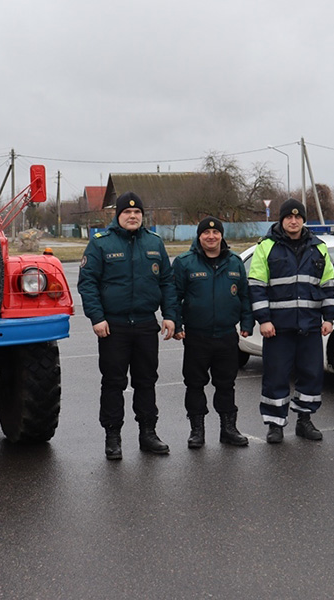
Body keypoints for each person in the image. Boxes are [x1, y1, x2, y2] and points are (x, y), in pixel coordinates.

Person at [77, 192, 178, 460]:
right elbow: (88, 283)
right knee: (113, 382)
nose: (132, 216)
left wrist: (170, 315)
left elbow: (167, 282)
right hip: (114, 326)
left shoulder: (154, 242)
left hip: (146, 324)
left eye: (137, 213)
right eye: (127, 213)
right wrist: (97, 318)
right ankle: (113, 437)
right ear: (118, 215)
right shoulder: (101, 244)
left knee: (146, 381)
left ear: (142, 216)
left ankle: (148, 434)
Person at [248, 198, 334, 444]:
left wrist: (329, 317)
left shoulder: (318, 248)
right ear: (282, 219)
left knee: (311, 375)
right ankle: (275, 425)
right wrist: (263, 320)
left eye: (298, 217)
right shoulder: (266, 247)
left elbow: (328, 285)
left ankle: (304, 421)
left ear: (303, 220)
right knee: (276, 377)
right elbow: (256, 286)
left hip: (309, 327)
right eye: (289, 217)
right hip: (277, 329)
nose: (293, 221)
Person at [173, 217, 254, 448]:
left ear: (221, 235)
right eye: (206, 233)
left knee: (226, 384)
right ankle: (197, 430)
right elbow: (173, 297)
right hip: (196, 337)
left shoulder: (234, 262)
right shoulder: (185, 262)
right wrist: (177, 325)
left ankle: (228, 429)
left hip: (227, 336)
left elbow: (244, 296)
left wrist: (247, 323)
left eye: (216, 233)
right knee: (195, 384)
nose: (211, 237)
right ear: (199, 237)